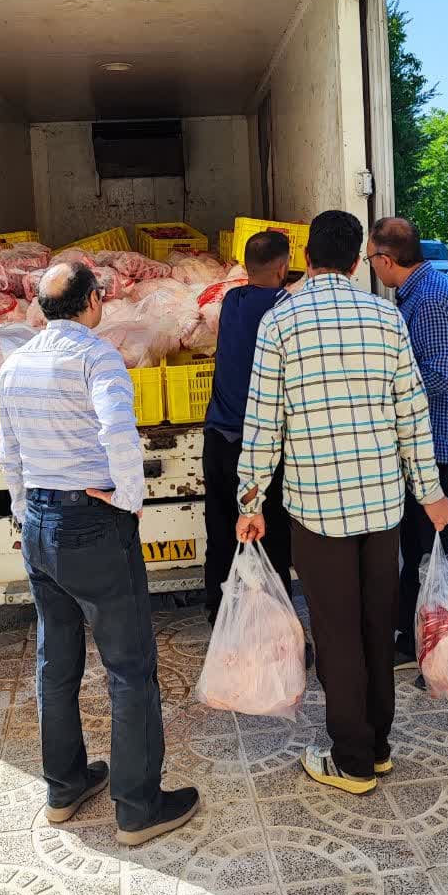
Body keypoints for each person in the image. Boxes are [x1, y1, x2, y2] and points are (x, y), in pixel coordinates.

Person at [235, 210, 448, 796]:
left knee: (336, 632)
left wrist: (250, 500)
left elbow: (263, 424)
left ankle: (352, 760)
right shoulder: (387, 317)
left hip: (318, 510)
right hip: (382, 507)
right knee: (376, 625)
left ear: (307, 259)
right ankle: (377, 746)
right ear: (359, 261)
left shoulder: (281, 322)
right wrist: (430, 494)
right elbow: (412, 415)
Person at [0, 261, 198, 846]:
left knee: (55, 663)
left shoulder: (13, 365)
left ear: (42, 308)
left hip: (39, 521)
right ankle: (138, 808)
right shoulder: (96, 357)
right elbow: (118, 433)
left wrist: (24, 511)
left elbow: (11, 453)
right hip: (92, 524)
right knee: (129, 669)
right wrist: (129, 500)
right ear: (92, 302)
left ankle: (64, 788)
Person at [367, 218, 448, 678]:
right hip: (436, 445)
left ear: (385, 259)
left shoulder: (430, 300)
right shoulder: (418, 293)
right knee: (422, 550)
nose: (372, 267)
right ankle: (418, 640)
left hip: (446, 447)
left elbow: (441, 376)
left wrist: (386, 391)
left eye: (371, 258)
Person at [202, 230, 293, 625]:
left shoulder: (231, 300)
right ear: (284, 268)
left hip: (218, 438)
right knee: (270, 536)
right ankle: (271, 622)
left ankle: (220, 615)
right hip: (260, 446)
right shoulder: (284, 308)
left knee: (221, 531)